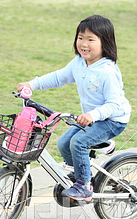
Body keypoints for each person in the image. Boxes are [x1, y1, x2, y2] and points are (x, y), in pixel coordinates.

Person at [17, 14, 131, 202]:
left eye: (90, 39)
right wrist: (32, 84)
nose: (84, 44)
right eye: (80, 38)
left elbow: (114, 104)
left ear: (105, 42)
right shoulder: (79, 63)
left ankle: (84, 186)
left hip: (112, 120)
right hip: (92, 118)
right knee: (63, 143)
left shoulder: (107, 71)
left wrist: (93, 115)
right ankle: (80, 175)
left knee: (78, 143)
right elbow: (58, 77)